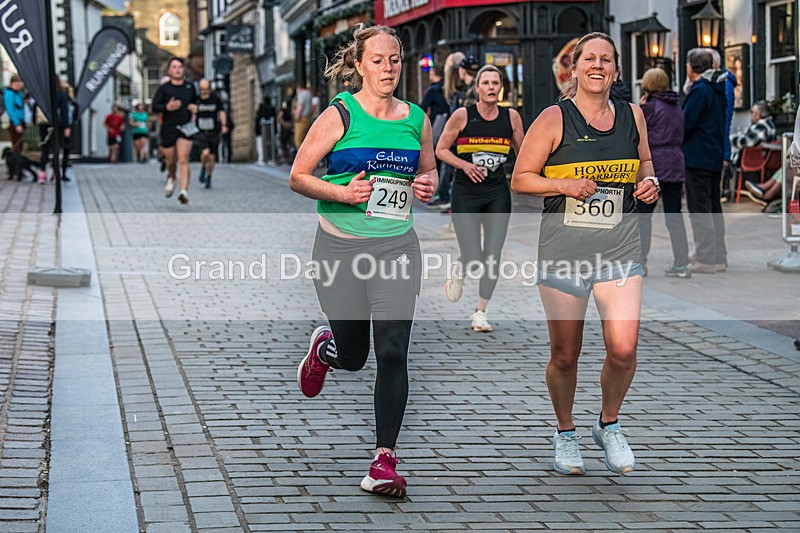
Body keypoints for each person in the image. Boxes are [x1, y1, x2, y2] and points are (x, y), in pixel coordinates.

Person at [289, 24, 437, 498]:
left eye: (394, 60)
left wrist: (429, 186)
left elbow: (428, 171)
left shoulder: (417, 118)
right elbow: (298, 175)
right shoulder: (340, 115)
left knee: (393, 350)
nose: (388, 68)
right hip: (340, 248)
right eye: (377, 60)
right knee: (354, 357)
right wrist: (342, 192)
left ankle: (383, 460)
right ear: (359, 65)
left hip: (397, 246)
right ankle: (327, 349)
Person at [511, 32, 659, 476]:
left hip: (621, 248)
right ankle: (565, 432)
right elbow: (521, 178)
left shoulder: (634, 114)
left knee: (624, 349)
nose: (598, 66)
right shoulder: (555, 118)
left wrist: (649, 184)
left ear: (616, 69)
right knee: (565, 355)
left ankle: (609, 423)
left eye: (606, 59)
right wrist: (564, 185)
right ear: (573, 69)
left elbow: (645, 163)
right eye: (589, 59)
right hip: (563, 253)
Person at [436, 64, 524, 331]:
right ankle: (461, 269)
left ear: (501, 88)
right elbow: (441, 149)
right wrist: (464, 165)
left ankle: (480, 312)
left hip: (497, 191)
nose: (490, 87)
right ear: (477, 89)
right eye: (485, 83)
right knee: (474, 255)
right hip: (465, 192)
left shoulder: (511, 118)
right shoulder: (463, 116)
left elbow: (524, 153)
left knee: (493, 255)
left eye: (495, 83)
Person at [636, 68, 691, 279]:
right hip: (675, 163)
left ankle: (641, 262)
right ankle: (681, 263)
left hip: (654, 165)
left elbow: (639, 133)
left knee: (643, 216)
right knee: (674, 216)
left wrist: (641, 107)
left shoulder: (649, 107)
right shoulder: (677, 106)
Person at [683, 48, 727, 274]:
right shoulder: (717, 88)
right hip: (714, 154)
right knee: (713, 207)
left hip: (698, 155)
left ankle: (707, 257)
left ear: (691, 68)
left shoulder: (700, 90)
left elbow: (687, 123)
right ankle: (718, 255)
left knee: (700, 208)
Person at [151, 57, 198, 204]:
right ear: (169, 70)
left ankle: (184, 191)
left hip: (185, 126)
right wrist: (166, 107)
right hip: (169, 128)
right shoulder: (164, 89)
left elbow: (195, 103)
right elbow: (153, 107)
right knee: (171, 160)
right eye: (174, 67)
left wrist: (195, 108)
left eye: (180, 67)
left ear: (183, 70)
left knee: (183, 159)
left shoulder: (190, 87)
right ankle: (172, 177)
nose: (177, 69)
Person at [429, 52, 465, 208]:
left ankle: (446, 196)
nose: (446, 71)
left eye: (449, 67)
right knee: (446, 163)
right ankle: (446, 195)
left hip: (459, 137)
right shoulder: (451, 91)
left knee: (448, 163)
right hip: (453, 134)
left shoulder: (462, 92)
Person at [35, 79, 73, 183]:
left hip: (44, 124)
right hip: (57, 125)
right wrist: (66, 126)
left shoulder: (41, 95)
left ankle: (42, 174)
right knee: (56, 149)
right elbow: (64, 112)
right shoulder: (60, 95)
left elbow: (35, 108)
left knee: (45, 149)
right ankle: (55, 174)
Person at [194, 79, 227, 189]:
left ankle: (209, 177)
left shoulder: (215, 99)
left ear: (209, 88)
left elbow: (221, 112)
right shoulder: (196, 99)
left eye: (206, 89)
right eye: (202, 89)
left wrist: (223, 124)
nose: (204, 91)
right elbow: (191, 112)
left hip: (213, 131)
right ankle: (203, 167)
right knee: (205, 153)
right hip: (201, 131)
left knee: (212, 158)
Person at [730, 100, 776, 167]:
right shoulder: (769, 124)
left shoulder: (762, 127)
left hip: (753, 161)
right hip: (761, 159)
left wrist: (731, 140)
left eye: (752, 112)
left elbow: (749, 142)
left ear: (758, 115)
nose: (751, 114)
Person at [3, 74, 26, 153]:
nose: (18, 85)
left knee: (19, 143)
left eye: (20, 83)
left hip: (20, 120)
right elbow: (10, 110)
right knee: (16, 143)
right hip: (14, 122)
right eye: (16, 83)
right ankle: (16, 162)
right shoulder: (9, 94)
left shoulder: (18, 93)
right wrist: (16, 123)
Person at [255, 95, 276, 165]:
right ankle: (270, 158)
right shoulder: (271, 108)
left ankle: (261, 159)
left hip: (261, 131)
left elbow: (258, 118)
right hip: (270, 132)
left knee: (260, 144)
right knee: (270, 144)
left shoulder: (262, 108)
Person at [293, 83, 313, 151]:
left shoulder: (302, 95)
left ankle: (303, 158)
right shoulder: (309, 94)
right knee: (306, 139)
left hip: (301, 119)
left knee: (298, 140)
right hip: (308, 118)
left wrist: (296, 116)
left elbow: (300, 107)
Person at [278, 97, 294, 163]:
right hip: (291, 125)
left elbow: (280, 117)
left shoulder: (283, 109)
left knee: (283, 141)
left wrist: (282, 123)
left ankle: (286, 156)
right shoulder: (292, 109)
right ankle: (290, 156)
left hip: (285, 126)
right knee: (290, 141)